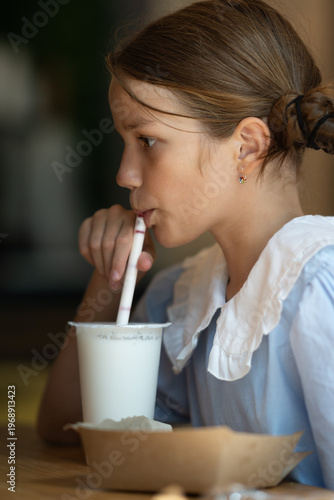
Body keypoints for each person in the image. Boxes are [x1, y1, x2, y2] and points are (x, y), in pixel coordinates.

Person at [37, 0, 334, 490]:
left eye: (147, 141)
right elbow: (65, 426)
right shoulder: (182, 297)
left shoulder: (320, 289)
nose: (124, 174)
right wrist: (109, 275)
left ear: (247, 146)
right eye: (123, 143)